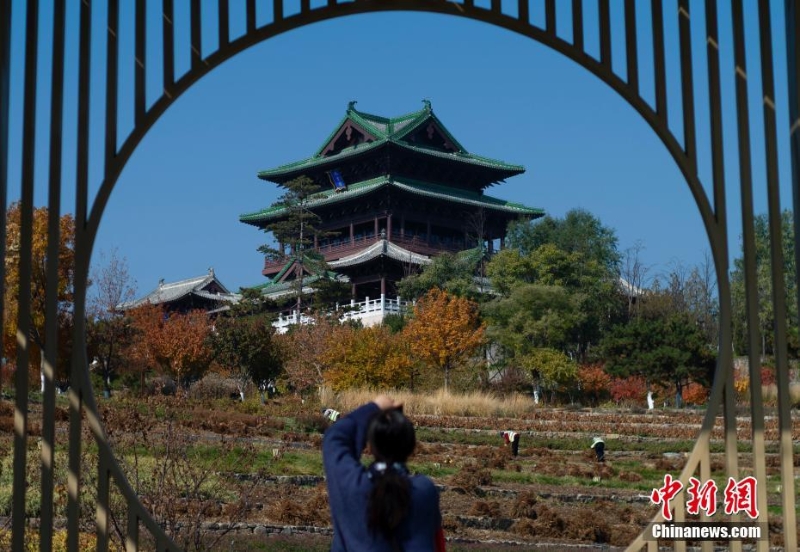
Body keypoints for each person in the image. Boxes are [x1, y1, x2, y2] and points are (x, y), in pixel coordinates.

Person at [323, 395, 444, 551]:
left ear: (371, 447)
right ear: (412, 447)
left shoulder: (353, 486)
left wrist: (375, 407)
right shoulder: (424, 492)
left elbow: (334, 439)